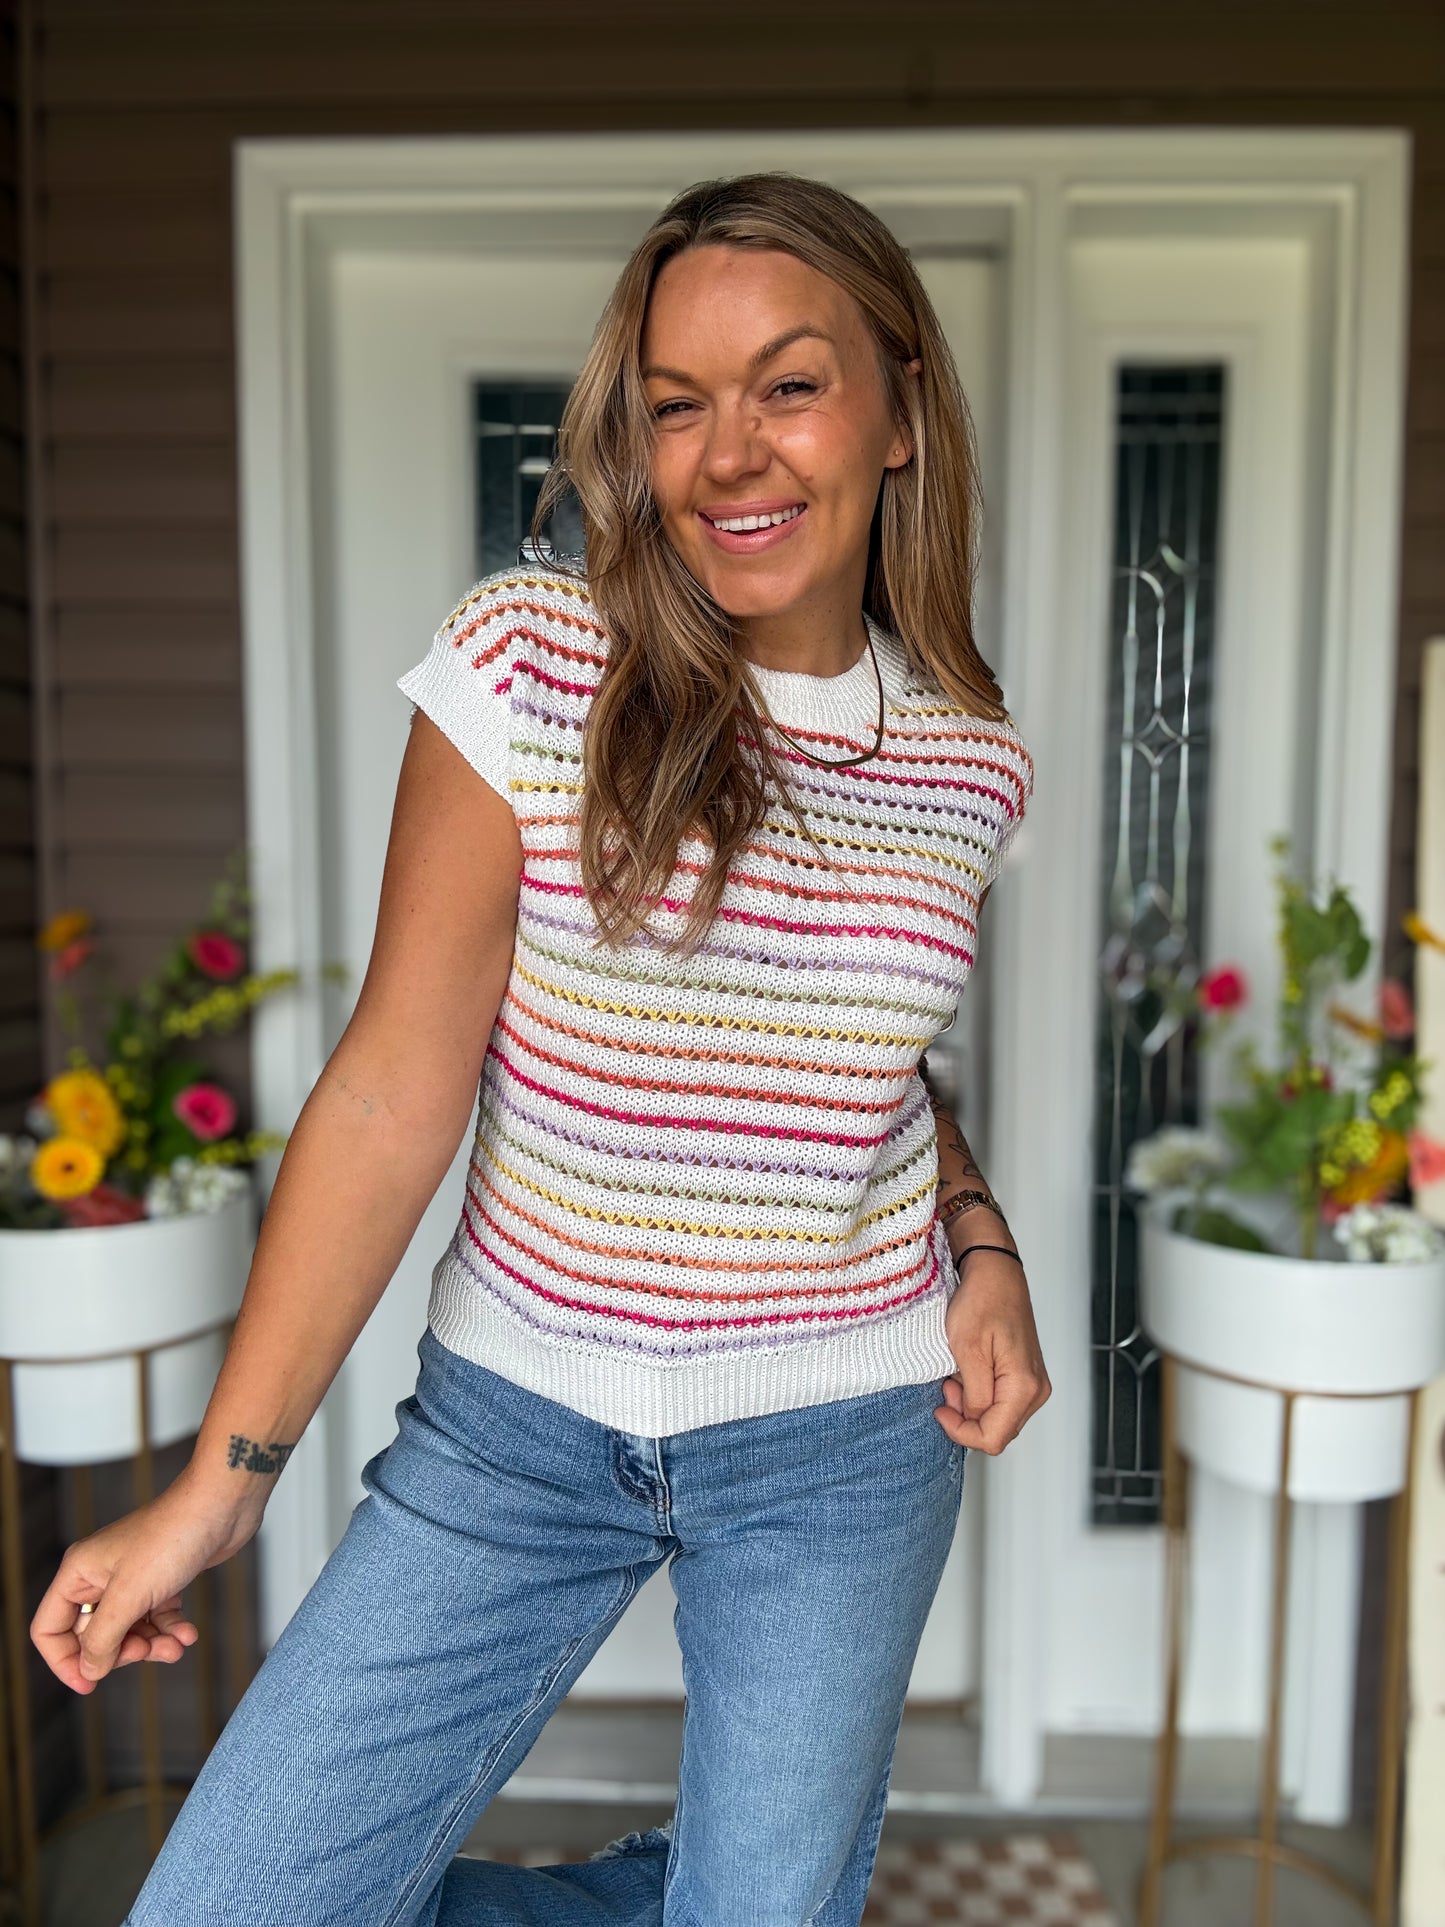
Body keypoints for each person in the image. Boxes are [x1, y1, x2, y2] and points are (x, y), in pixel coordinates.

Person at [31, 171, 1049, 1927]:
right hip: (517, 1428)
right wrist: (217, 1489)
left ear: (898, 413)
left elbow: (852, 1059)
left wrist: (981, 1237)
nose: (728, 454)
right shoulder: (532, 659)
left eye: (789, 386)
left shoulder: (969, 758)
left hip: (841, 1442)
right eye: (676, 405)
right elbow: (389, 1089)